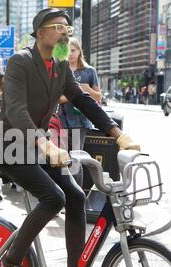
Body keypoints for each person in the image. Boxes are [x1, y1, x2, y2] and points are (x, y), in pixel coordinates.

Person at [0, 8, 140, 267]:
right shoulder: (20, 62)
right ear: (41, 32)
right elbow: (16, 110)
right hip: (8, 145)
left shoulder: (60, 64)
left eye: (67, 29)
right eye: (59, 28)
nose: (65, 33)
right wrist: (44, 144)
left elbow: (82, 99)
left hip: (38, 144)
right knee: (53, 197)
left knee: (75, 195)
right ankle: (9, 263)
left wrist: (116, 133)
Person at [57, 37, 101, 187]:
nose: (70, 54)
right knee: (63, 159)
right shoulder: (61, 70)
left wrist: (86, 90)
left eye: (73, 50)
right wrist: (75, 93)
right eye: (67, 51)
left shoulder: (89, 71)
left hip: (79, 121)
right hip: (61, 120)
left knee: (75, 159)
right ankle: (66, 197)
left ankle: (76, 199)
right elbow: (58, 98)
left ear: (79, 51)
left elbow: (98, 96)